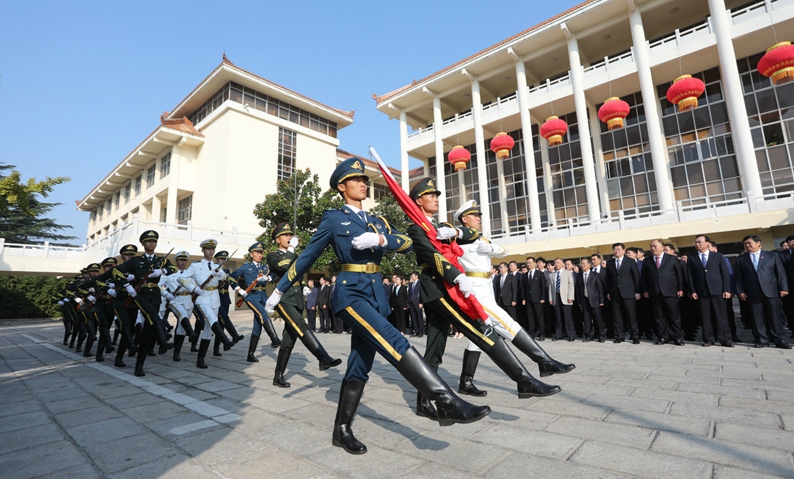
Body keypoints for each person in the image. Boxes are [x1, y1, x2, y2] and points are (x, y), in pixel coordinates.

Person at [265, 159, 491, 455]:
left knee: (360, 364)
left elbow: (407, 242)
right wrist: (279, 290)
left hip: (376, 294)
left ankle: (342, 430)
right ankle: (445, 400)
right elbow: (307, 256)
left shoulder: (377, 220)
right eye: (356, 179)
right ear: (342, 187)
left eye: (364, 179)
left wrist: (381, 239)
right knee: (394, 340)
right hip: (350, 294)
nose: (364, 183)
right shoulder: (334, 218)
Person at [407, 179, 562, 407]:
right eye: (431, 196)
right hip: (440, 290)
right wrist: (457, 277)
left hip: (444, 290)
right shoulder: (416, 228)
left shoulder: (440, 226)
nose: (436, 199)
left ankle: (424, 402)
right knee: (483, 330)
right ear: (418, 201)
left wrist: (456, 231)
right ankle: (523, 380)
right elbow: (433, 256)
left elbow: (471, 235)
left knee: (435, 348)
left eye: (437, 195)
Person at [451, 199, 574, 396]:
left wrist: (490, 248)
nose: (479, 218)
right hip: (475, 290)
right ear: (464, 219)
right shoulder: (461, 238)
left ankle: (465, 382)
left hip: (486, 287)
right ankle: (544, 361)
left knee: (478, 337)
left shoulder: (479, 239)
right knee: (507, 323)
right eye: (475, 215)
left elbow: (503, 250)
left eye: (479, 215)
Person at [267, 222, 342, 387]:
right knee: (301, 325)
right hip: (284, 299)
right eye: (285, 235)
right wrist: (292, 250)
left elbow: (298, 274)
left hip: (296, 299)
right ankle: (322, 358)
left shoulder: (294, 255)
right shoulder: (273, 256)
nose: (289, 237)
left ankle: (278, 376)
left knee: (288, 341)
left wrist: (303, 288)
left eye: (290, 235)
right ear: (277, 239)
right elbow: (285, 267)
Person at [111, 230, 175, 376]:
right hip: (138, 296)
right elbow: (116, 273)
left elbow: (174, 268)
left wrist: (162, 271)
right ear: (143, 244)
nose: (151, 243)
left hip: (154, 296)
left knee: (148, 332)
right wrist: (127, 284)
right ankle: (162, 340)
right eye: (148, 241)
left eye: (154, 241)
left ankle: (139, 365)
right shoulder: (135, 261)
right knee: (140, 322)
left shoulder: (161, 261)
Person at [186, 239, 236, 368]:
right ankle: (225, 340)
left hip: (214, 299)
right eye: (208, 249)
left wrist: (219, 273)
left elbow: (225, 277)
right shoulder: (196, 265)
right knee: (211, 318)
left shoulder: (216, 266)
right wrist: (193, 288)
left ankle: (200, 359)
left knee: (208, 331)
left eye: (213, 249)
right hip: (202, 298)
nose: (211, 251)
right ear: (203, 250)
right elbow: (182, 278)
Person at [735, 235, 791, 348]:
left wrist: (784, 288)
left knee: (775, 316)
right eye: (745, 244)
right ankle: (761, 338)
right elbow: (738, 277)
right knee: (757, 317)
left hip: (772, 291)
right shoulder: (741, 259)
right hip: (752, 292)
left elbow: (780, 273)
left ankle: (779, 339)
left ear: (759, 244)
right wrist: (740, 291)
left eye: (749, 243)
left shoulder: (772, 255)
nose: (747, 245)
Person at [230, 241, 281, 362]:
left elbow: (275, 275)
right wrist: (239, 289)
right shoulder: (246, 267)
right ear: (251, 254)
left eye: (261, 252)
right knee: (263, 313)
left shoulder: (265, 267)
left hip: (263, 295)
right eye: (257, 252)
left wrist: (267, 277)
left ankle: (250, 354)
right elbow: (231, 277)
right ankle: (274, 339)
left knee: (258, 325)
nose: (259, 255)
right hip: (251, 296)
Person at [688, 235, 733, 347]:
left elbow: (725, 274)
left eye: (699, 242)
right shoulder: (692, 258)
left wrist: (727, 289)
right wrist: (692, 291)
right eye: (695, 242)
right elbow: (690, 276)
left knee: (721, 316)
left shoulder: (717, 256)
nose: (697, 244)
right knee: (705, 316)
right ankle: (708, 339)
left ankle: (725, 338)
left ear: (707, 243)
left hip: (717, 290)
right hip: (701, 291)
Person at [642, 239, 685, 345]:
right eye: (651, 246)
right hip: (654, 292)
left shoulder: (672, 259)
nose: (652, 248)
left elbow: (679, 275)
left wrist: (680, 288)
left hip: (670, 291)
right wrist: (645, 290)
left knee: (674, 316)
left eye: (655, 246)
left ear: (662, 247)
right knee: (659, 316)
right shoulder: (647, 261)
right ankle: (663, 337)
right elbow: (643, 277)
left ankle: (677, 337)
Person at [158, 250, 199, 362]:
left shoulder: (190, 274)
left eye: (184, 260)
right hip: (175, 300)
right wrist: (166, 294)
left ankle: (177, 352)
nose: (182, 262)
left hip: (188, 301)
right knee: (182, 314)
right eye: (180, 260)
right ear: (176, 261)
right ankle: (191, 333)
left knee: (181, 328)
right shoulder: (170, 274)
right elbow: (157, 285)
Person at [606, 242, 640, 344]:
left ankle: (635, 336)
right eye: (615, 249)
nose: (617, 251)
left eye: (619, 249)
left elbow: (636, 277)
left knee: (631, 315)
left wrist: (637, 291)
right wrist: (608, 292)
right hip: (615, 293)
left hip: (628, 292)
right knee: (617, 316)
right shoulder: (610, 263)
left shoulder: (630, 261)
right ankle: (619, 336)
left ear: (623, 250)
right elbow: (608, 279)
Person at [576, 258, 604, 342]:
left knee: (598, 319)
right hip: (584, 300)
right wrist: (579, 301)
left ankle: (601, 335)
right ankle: (589, 335)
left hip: (595, 299)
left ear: (589, 265)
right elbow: (578, 289)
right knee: (586, 319)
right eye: (581, 264)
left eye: (584, 263)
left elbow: (600, 289)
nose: (582, 265)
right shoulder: (579, 276)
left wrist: (601, 300)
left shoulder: (596, 275)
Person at [548, 258, 576, 341]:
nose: (556, 264)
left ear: (562, 264)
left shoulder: (568, 273)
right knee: (558, 317)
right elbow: (550, 288)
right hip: (556, 297)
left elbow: (571, 285)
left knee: (568, 318)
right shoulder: (551, 275)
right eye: (555, 263)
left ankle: (571, 335)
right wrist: (550, 298)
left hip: (566, 298)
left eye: (558, 262)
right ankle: (558, 335)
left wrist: (570, 296)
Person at [522, 257, 547, 340]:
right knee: (530, 317)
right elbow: (523, 288)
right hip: (528, 299)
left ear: (534, 263)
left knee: (539, 317)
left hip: (538, 299)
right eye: (527, 263)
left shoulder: (540, 274)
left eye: (530, 262)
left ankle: (542, 333)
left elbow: (543, 287)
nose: (528, 264)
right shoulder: (525, 275)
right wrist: (523, 298)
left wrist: (543, 297)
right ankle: (532, 333)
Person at [408, 272, 423, 337]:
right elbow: (409, 294)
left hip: (417, 303)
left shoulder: (420, 283)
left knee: (419, 318)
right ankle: (415, 331)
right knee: (413, 318)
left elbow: (422, 294)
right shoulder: (411, 284)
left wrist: (421, 302)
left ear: (416, 276)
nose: (412, 277)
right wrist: (408, 303)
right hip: (411, 303)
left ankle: (420, 332)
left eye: (413, 275)